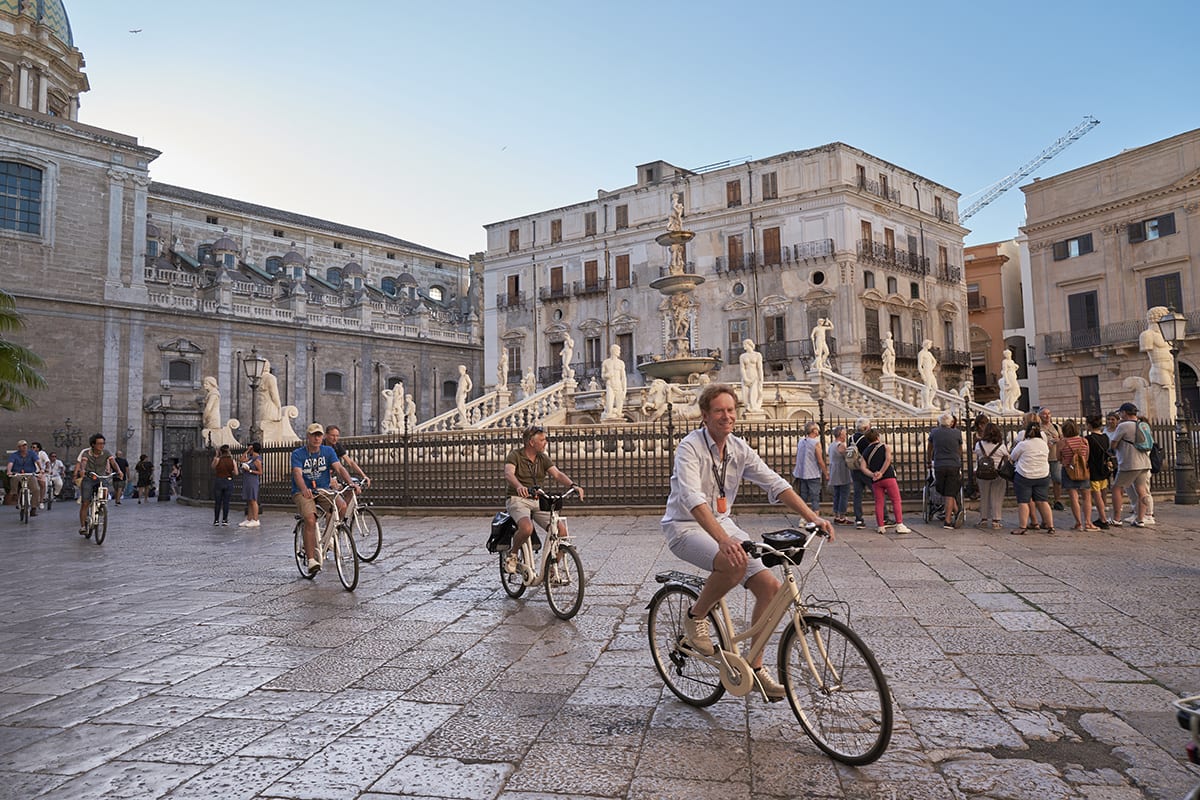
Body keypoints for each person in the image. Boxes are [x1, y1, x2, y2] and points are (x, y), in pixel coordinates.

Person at [661, 383, 833, 700]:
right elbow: (692, 499)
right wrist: (723, 540)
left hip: (722, 524)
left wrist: (813, 516)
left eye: (731, 410)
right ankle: (696, 616)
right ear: (705, 416)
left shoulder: (739, 448)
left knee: (771, 589)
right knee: (733, 562)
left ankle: (754, 665)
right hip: (685, 527)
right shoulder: (690, 447)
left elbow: (776, 483)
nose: (727, 416)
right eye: (719, 411)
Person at [503, 425, 584, 574]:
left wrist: (573, 485)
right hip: (517, 498)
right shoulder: (515, 455)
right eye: (542, 440)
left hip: (538, 499)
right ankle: (513, 554)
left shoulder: (543, 458)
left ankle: (551, 571)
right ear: (531, 443)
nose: (545, 442)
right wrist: (519, 486)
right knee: (527, 528)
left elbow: (558, 474)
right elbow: (509, 473)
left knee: (561, 531)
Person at [291, 423, 358, 573]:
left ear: (322, 437)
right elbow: (297, 473)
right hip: (303, 492)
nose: (317, 438)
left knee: (342, 506)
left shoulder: (327, 451)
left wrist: (350, 482)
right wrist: (304, 489)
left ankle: (328, 538)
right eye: (314, 435)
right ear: (308, 437)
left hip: (323, 489)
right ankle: (311, 560)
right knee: (310, 519)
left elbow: (339, 468)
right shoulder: (298, 454)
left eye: (319, 435)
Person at [858, 429, 911, 535]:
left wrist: (873, 474)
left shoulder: (866, 452)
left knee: (879, 503)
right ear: (877, 437)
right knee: (896, 500)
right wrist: (881, 472)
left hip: (876, 480)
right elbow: (887, 460)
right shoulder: (885, 446)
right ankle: (899, 524)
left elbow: (863, 467)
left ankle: (880, 526)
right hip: (888, 477)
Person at [1108, 402, 1151, 528]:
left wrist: (1113, 449)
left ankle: (1116, 518)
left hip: (1130, 462)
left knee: (1116, 488)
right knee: (1141, 490)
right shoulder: (1144, 425)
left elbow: (1114, 443)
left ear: (1124, 413)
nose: (1120, 415)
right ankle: (1141, 519)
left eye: (1120, 413)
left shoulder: (1124, 426)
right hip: (1144, 462)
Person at [1009, 420, 1053, 535]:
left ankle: (1022, 527)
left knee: (1023, 501)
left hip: (1025, 475)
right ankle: (1050, 526)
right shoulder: (1043, 444)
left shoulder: (1023, 444)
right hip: (1042, 475)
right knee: (1043, 501)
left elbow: (1013, 457)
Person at [75, 434, 123, 536]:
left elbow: (113, 462)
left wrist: (119, 471)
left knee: (104, 494)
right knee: (85, 503)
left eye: (103, 443)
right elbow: (83, 462)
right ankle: (83, 526)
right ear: (93, 445)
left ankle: (101, 507)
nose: (102, 446)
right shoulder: (86, 453)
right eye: (99, 444)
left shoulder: (106, 453)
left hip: (101, 478)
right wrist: (82, 470)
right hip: (89, 478)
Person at [1055, 420, 1097, 531]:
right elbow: (1086, 457)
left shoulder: (1062, 443)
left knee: (1074, 497)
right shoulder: (1084, 441)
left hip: (1068, 470)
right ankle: (1088, 522)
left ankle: (1078, 523)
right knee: (1086, 497)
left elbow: (1058, 458)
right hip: (1083, 470)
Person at [927, 412, 962, 530]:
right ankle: (957, 511)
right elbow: (960, 450)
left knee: (943, 490)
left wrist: (928, 461)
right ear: (951, 422)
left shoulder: (934, 432)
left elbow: (929, 448)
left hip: (939, 465)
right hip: (953, 464)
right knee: (949, 493)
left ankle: (947, 520)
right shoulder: (957, 433)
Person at [974, 422, 1008, 530]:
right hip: (998, 473)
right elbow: (1008, 457)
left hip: (982, 473)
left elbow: (977, 456)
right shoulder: (1001, 446)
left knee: (984, 496)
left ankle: (983, 519)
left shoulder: (979, 445)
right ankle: (996, 520)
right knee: (997, 496)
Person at [1085, 414, 1113, 529]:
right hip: (1104, 469)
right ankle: (1102, 517)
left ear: (1089, 425)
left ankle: (1103, 518)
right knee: (1102, 493)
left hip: (1094, 469)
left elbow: (1087, 455)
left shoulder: (1089, 439)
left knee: (1097, 496)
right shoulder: (1105, 437)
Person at [791, 421, 827, 512]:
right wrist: (826, 473)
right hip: (813, 473)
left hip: (802, 473)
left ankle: (803, 517)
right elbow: (820, 460)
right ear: (814, 430)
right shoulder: (815, 443)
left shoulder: (801, 441)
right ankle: (816, 517)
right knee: (815, 497)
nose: (818, 431)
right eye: (817, 429)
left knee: (803, 496)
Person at [6, 439, 42, 516]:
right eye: (22, 446)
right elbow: (10, 463)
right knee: (14, 479)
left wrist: (41, 470)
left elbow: (38, 461)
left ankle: (33, 508)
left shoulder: (31, 453)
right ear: (19, 447)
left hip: (29, 473)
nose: (24, 447)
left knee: (36, 489)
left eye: (25, 445)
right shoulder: (14, 455)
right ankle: (14, 494)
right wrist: (9, 471)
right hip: (18, 473)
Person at [848, 417, 873, 529]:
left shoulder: (851, 438)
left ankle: (858, 519)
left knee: (857, 495)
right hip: (866, 469)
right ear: (866, 427)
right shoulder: (866, 439)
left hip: (854, 468)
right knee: (877, 492)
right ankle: (884, 517)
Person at [1038, 407, 1063, 510]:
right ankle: (1045, 500)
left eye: (1049, 413)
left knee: (1057, 479)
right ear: (1040, 416)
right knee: (1044, 480)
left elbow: (1062, 439)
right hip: (1044, 457)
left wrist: (1058, 440)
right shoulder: (1039, 428)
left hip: (1055, 456)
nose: (1047, 416)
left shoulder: (1056, 427)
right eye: (1044, 414)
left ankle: (1057, 500)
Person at [827, 426, 852, 525]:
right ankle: (842, 516)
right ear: (841, 435)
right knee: (844, 494)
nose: (846, 435)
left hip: (834, 470)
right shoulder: (841, 445)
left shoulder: (832, 444)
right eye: (844, 433)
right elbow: (847, 456)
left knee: (837, 494)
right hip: (841, 471)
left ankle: (836, 514)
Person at [210, 444, 237, 526]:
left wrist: (216, 456)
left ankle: (216, 520)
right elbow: (236, 472)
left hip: (219, 480)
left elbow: (212, 467)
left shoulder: (217, 459)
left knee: (218, 502)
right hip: (228, 481)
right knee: (226, 502)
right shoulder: (232, 460)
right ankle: (225, 520)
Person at [238, 442, 262, 527]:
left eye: (251, 449)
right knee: (249, 500)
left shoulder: (257, 460)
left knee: (253, 500)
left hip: (252, 480)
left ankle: (255, 519)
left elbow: (260, 472)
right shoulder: (251, 458)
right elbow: (241, 459)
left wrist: (250, 471)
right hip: (247, 480)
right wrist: (247, 450)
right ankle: (249, 518)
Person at [602, 344, 627, 419]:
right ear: (614, 351)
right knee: (609, 406)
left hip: (618, 385)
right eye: (618, 350)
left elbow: (623, 377)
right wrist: (607, 375)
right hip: (610, 385)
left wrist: (624, 390)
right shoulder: (606, 362)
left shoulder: (621, 363)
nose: (619, 352)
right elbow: (602, 376)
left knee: (619, 410)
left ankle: (618, 420)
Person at [739, 338, 764, 413]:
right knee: (745, 397)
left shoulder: (757, 355)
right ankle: (748, 407)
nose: (744, 346)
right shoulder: (742, 356)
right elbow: (742, 368)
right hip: (746, 377)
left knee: (754, 395)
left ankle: (754, 407)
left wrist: (761, 378)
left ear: (749, 344)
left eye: (745, 344)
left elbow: (759, 368)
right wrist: (745, 378)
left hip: (754, 376)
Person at [917, 340, 938, 406]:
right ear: (926, 344)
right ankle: (927, 404)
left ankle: (929, 402)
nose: (930, 346)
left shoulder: (929, 353)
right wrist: (922, 374)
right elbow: (919, 366)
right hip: (926, 371)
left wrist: (931, 368)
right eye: (930, 344)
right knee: (927, 387)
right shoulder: (921, 353)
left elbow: (934, 361)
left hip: (930, 371)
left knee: (935, 387)